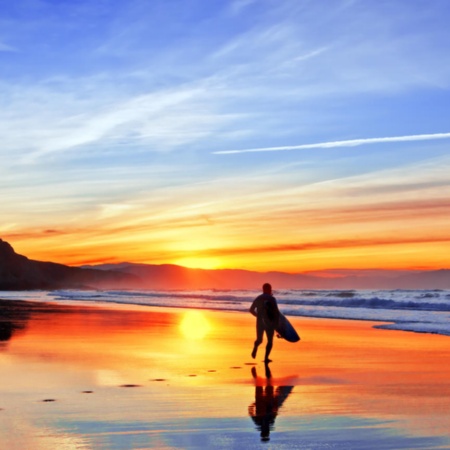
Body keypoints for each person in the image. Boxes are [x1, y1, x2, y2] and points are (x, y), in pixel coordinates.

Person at [249, 283, 280, 363]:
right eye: (270, 288)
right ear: (269, 289)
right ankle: (266, 358)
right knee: (270, 341)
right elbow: (276, 313)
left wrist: (258, 316)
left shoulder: (258, 298)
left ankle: (255, 347)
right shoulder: (272, 299)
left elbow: (251, 310)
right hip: (269, 322)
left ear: (263, 289)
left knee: (259, 340)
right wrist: (277, 326)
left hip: (260, 322)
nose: (271, 290)